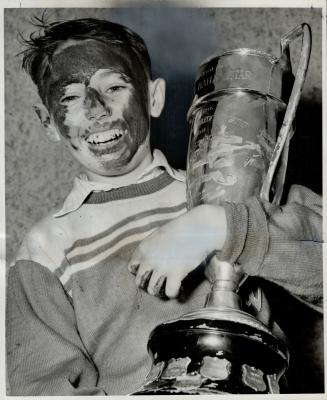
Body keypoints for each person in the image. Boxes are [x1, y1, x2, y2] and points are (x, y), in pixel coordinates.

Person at [6, 17, 323, 395]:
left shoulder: (233, 186)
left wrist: (221, 227)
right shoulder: (44, 249)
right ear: (49, 123)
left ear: (153, 97)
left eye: (114, 86)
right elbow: (43, 386)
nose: (95, 109)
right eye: (70, 98)